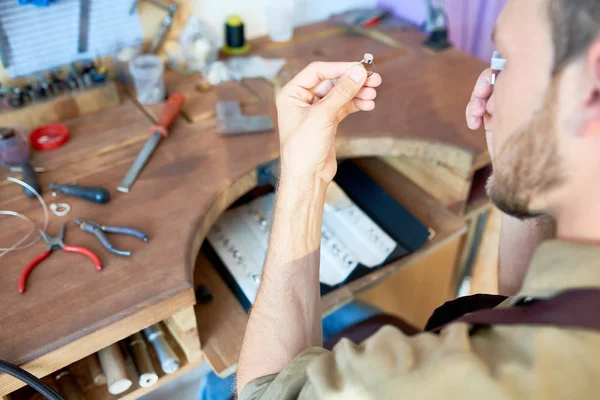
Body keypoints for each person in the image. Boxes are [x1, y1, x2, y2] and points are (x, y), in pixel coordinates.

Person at [236, 0, 600, 398]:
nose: (490, 92)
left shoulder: (427, 383)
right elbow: (521, 306)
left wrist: (302, 175)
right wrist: (519, 159)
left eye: (507, 61)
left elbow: (262, 393)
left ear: (593, 84)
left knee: (215, 383)